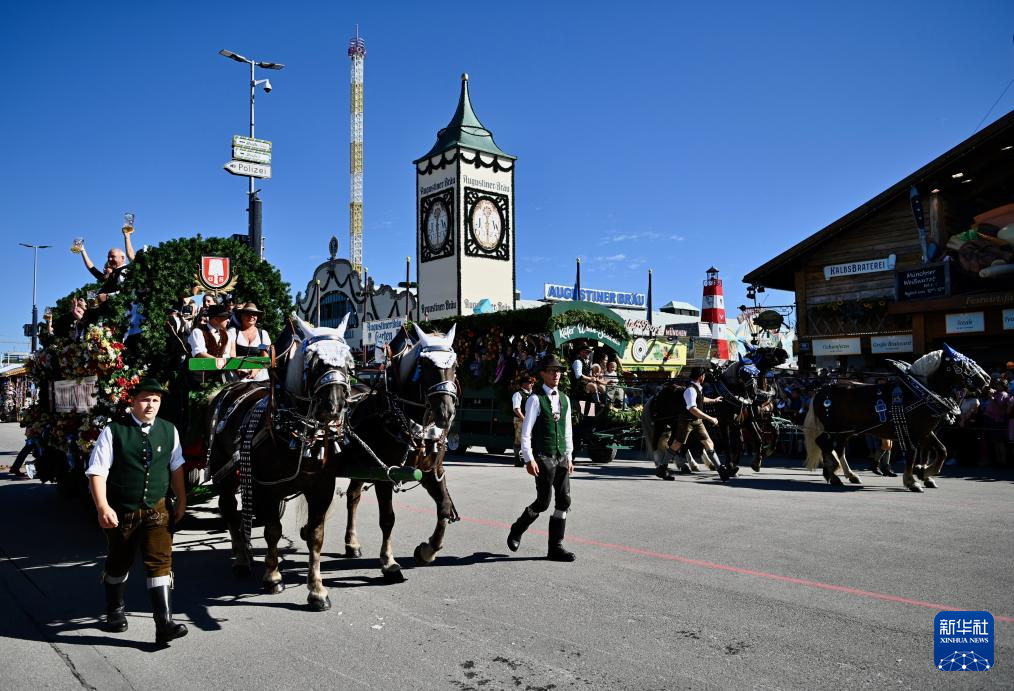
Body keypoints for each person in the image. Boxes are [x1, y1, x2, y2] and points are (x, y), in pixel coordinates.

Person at [84, 378, 188, 645]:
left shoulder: (169, 430)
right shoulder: (114, 430)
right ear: (132, 401)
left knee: (160, 562)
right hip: (123, 510)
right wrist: (103, 506)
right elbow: (97, 471)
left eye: (155, 400)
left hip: (158, 508)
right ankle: (115, 610)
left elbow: (176, 466)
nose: (150, 405)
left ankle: (164, 624)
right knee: (119, 561)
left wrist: (182, 500)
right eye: (145, 399)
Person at [507, 354, 576, 562]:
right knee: (543, 502)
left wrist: (569, 455)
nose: (557, 374)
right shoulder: (535, 399)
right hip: (543, 457)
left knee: (564, 500)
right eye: (552, 371)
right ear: (543, 374)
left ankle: (555, 547)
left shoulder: (565, 399)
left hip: (561, 456)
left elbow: (567, 430)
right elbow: (526, 432)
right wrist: (529, 458)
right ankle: (517, 528)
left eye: (559, 371)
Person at [662, 367, 735, 481]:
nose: (704, 377)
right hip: (687, 421)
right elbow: (692, 409)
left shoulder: (697, 388)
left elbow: (700, 398)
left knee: (709, 443)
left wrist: (714, 400)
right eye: (704, 375)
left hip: (697, 421)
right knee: (677, 444)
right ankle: (662, 468)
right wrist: (710, 418)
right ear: (701, 376)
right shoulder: (690, 390)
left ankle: (721, 471)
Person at [188, 304, 235, 384]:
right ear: (216, 319)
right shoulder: (198, 332)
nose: (228, 320)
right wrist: (219, 362)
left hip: (218, 377)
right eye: (226, 318)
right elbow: (199, 353)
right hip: (200, 377)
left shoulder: (226, 334)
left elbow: (226, 355)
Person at [229, 303, 271, 381]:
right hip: (238, 373)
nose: (251, 316)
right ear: (241, 316)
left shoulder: (262, 334)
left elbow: (265, 356)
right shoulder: (234, 332)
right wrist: (237, 368)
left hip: (259, 374)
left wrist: (256, 369)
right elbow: (232, 353)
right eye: (248, 313)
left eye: (254, 314)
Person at [511, 374, 535, 467]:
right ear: (523, 384)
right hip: (520, 420)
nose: (532, 384)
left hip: (531, 420)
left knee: (530, 439)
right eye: (529, 382)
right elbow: (516, 409)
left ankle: (528, 458)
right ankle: (517, 458)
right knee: (519, 440)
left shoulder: (533, 394)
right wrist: (524, 419)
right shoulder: (518, 394)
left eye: (532, 382)